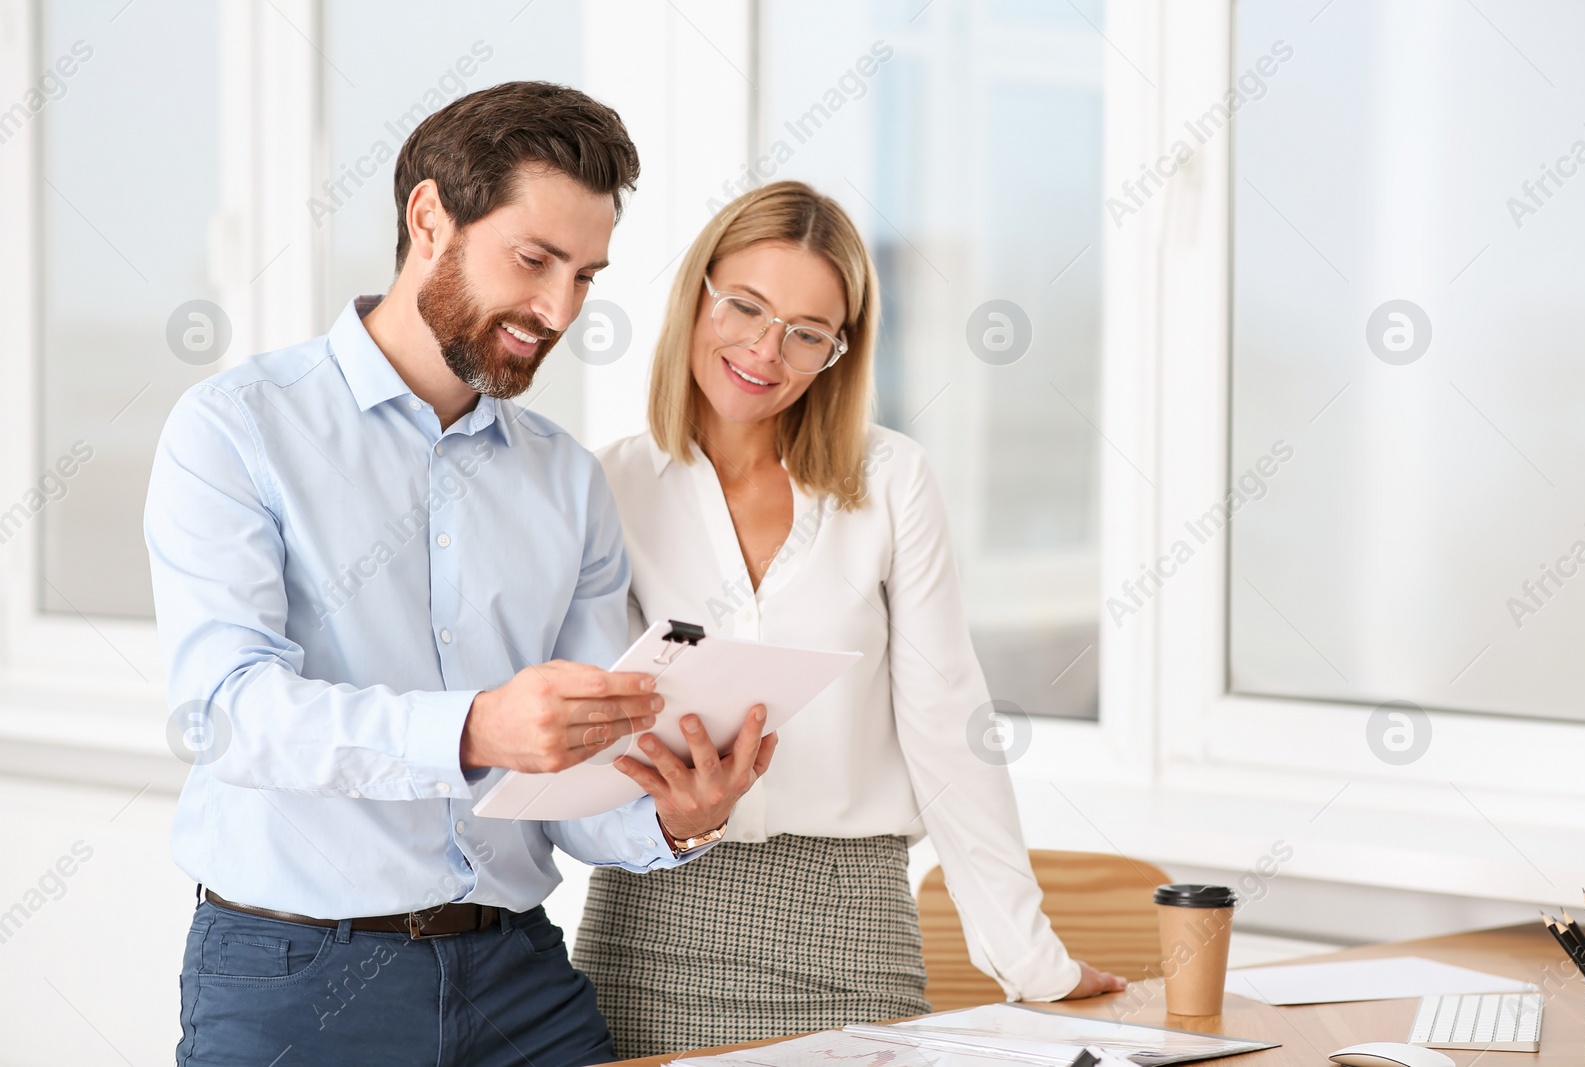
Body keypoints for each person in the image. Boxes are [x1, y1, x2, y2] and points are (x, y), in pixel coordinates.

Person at [144, 81, 774, 1067]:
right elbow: (225, 710)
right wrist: (477, 727)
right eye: (533, 260)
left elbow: (580, 775)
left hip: (519, 980)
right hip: (296, 979)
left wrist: (673, 815)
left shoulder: (567, 480)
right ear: (429, 216)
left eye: (585, 274)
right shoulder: (237, 429)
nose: (557, 309)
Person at [570, 180, 1127, 1058]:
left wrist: (1033, 961)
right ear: (697, 295)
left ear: (840, 350)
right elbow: (598, 734)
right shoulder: (609, 486)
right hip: (654, 930)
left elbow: (949, 722)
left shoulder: (892, 481)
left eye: (807, 334)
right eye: (745, 307)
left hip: (850, 926)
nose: (766, 350)